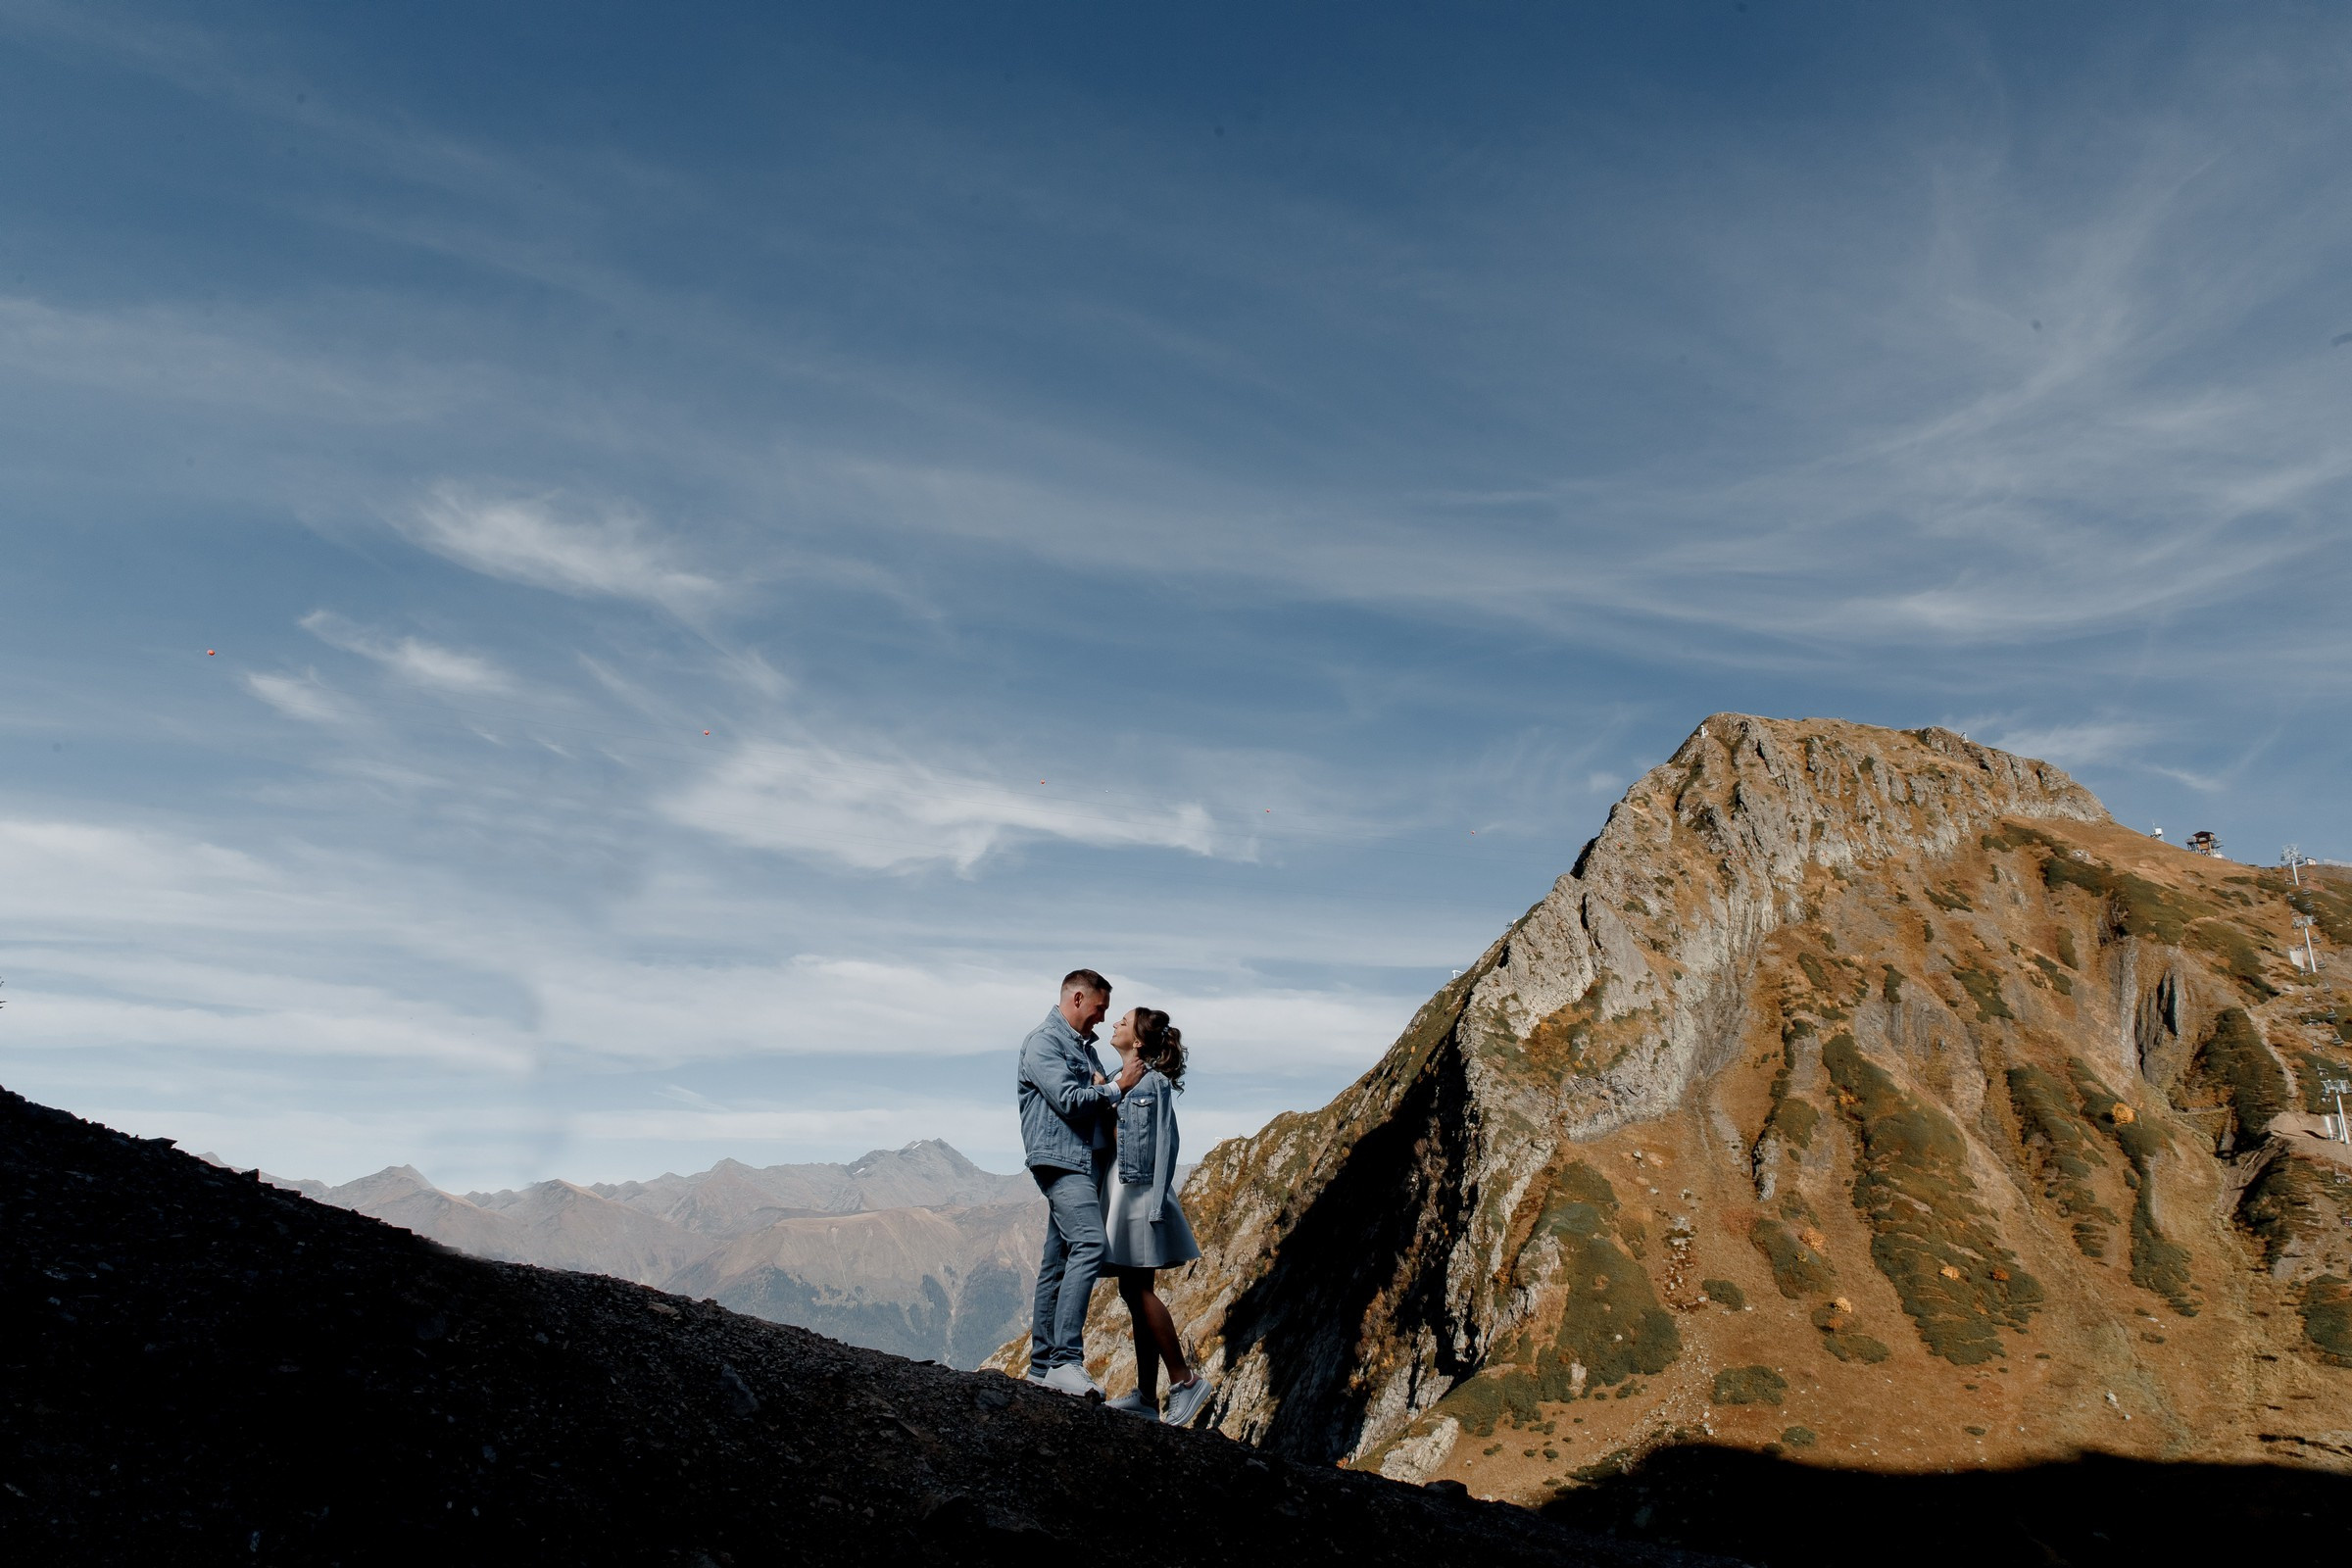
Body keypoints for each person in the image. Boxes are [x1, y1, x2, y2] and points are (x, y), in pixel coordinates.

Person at [1016, 969, 1140, 1397]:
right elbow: (1070, 1100)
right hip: (1062, 1160)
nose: (1102, 1020)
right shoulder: (1044, 1043)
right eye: (1099, 1009)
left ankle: (1041, 1366)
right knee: (1089, 1244)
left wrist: (1110, 1087)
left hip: (1080, 1161)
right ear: (1078, 999)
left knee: (1058, 1259)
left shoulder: (1081, 1048)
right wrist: (1117, 1087)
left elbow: (1096, 1096)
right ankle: (1066, 1360)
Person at [1098, 1006, 1213, 1427]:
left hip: (1141, 1192)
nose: (1115, 1025)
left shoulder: (1154, 1085)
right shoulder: (1117, 1079)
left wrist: (1158, 1203)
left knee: (1136, 1290)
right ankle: (1147, 1397)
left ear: (1139, 1041)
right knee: (1132, 1291)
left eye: (1123, 1022)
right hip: (1121, 1189)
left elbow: (1168, 1142)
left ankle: (1184, 1380)